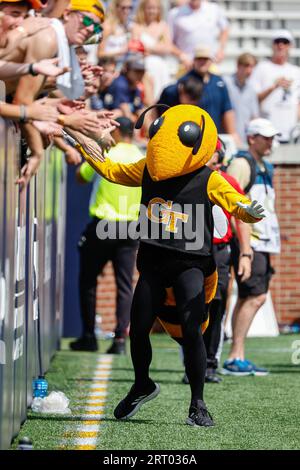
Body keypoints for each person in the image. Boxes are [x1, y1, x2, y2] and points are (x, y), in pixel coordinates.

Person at [74, 103, 266, 427]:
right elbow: (112, 171)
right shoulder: (148, 169)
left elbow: (234, 203)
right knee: (138, 328)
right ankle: (141, 384)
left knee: (193, 331)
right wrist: (85, 146)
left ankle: (198, 403)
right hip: (153, 262)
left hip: (191, 263)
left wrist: (249, 211)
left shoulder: (209, 177)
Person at [70, 117, 143, 353]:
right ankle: (120, 339)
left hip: (104, 224)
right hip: (131, 226)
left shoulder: (106, 151)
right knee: (125, 285)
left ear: (117, 132)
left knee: (89, 280)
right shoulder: (142, 156)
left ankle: (89, 336)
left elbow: (81, 177)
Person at [222, 118, 281, 376]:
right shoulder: (242, 163)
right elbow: (232, 203)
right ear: (251, 138)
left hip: (263, 242)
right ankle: (235, 355)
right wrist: (245, 248)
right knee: (255, 296)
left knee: (250, 295)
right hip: (251, 241)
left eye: (271, 136)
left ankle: (237, 355)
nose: (270, 141)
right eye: (264, 136)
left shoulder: (265, 166)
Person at [158, 45, 240, 144]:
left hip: (213, 134)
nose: (202, 62)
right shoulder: (185, 81)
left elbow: (227, 108)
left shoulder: (219, 82)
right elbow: (166, 101)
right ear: (194, 60)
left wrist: (232, 133)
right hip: (190, 135)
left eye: (205, 59)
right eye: (199, 58)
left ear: (211, 61)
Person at [249, 29, 300, 143]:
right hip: (267, 133)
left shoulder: (296, 71)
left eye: (285, 42)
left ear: (290, 46)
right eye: (277, 41)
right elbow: (252, 99)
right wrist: (274, 87)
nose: (281, 45)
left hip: (292, 132)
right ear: (272, 45)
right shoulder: (262, 68)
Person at [131, 0, 173, 100]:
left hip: (160, 66)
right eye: (149, 8)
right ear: (143, 9)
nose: (152, 11)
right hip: (143, 65)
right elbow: (135, 45)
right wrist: (158, 47)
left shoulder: (163, 26)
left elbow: (168, 47)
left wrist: (148, 48)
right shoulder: (136, 26)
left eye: (155, 8)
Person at [167, 0, 229, 67]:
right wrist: (181, 55)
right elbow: (168, 42)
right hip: (187, 65)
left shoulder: (214, 9)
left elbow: (225, 28)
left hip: (210, 62)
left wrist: (221, 50)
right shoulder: (174, 14)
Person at [224, 53, 259, 145]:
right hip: (226, 138)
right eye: (247, 66)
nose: (250, 70)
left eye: (252, 67)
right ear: (238, 65)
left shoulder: (251, 89)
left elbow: (254, 117)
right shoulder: (225, 84)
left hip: (244, 140)